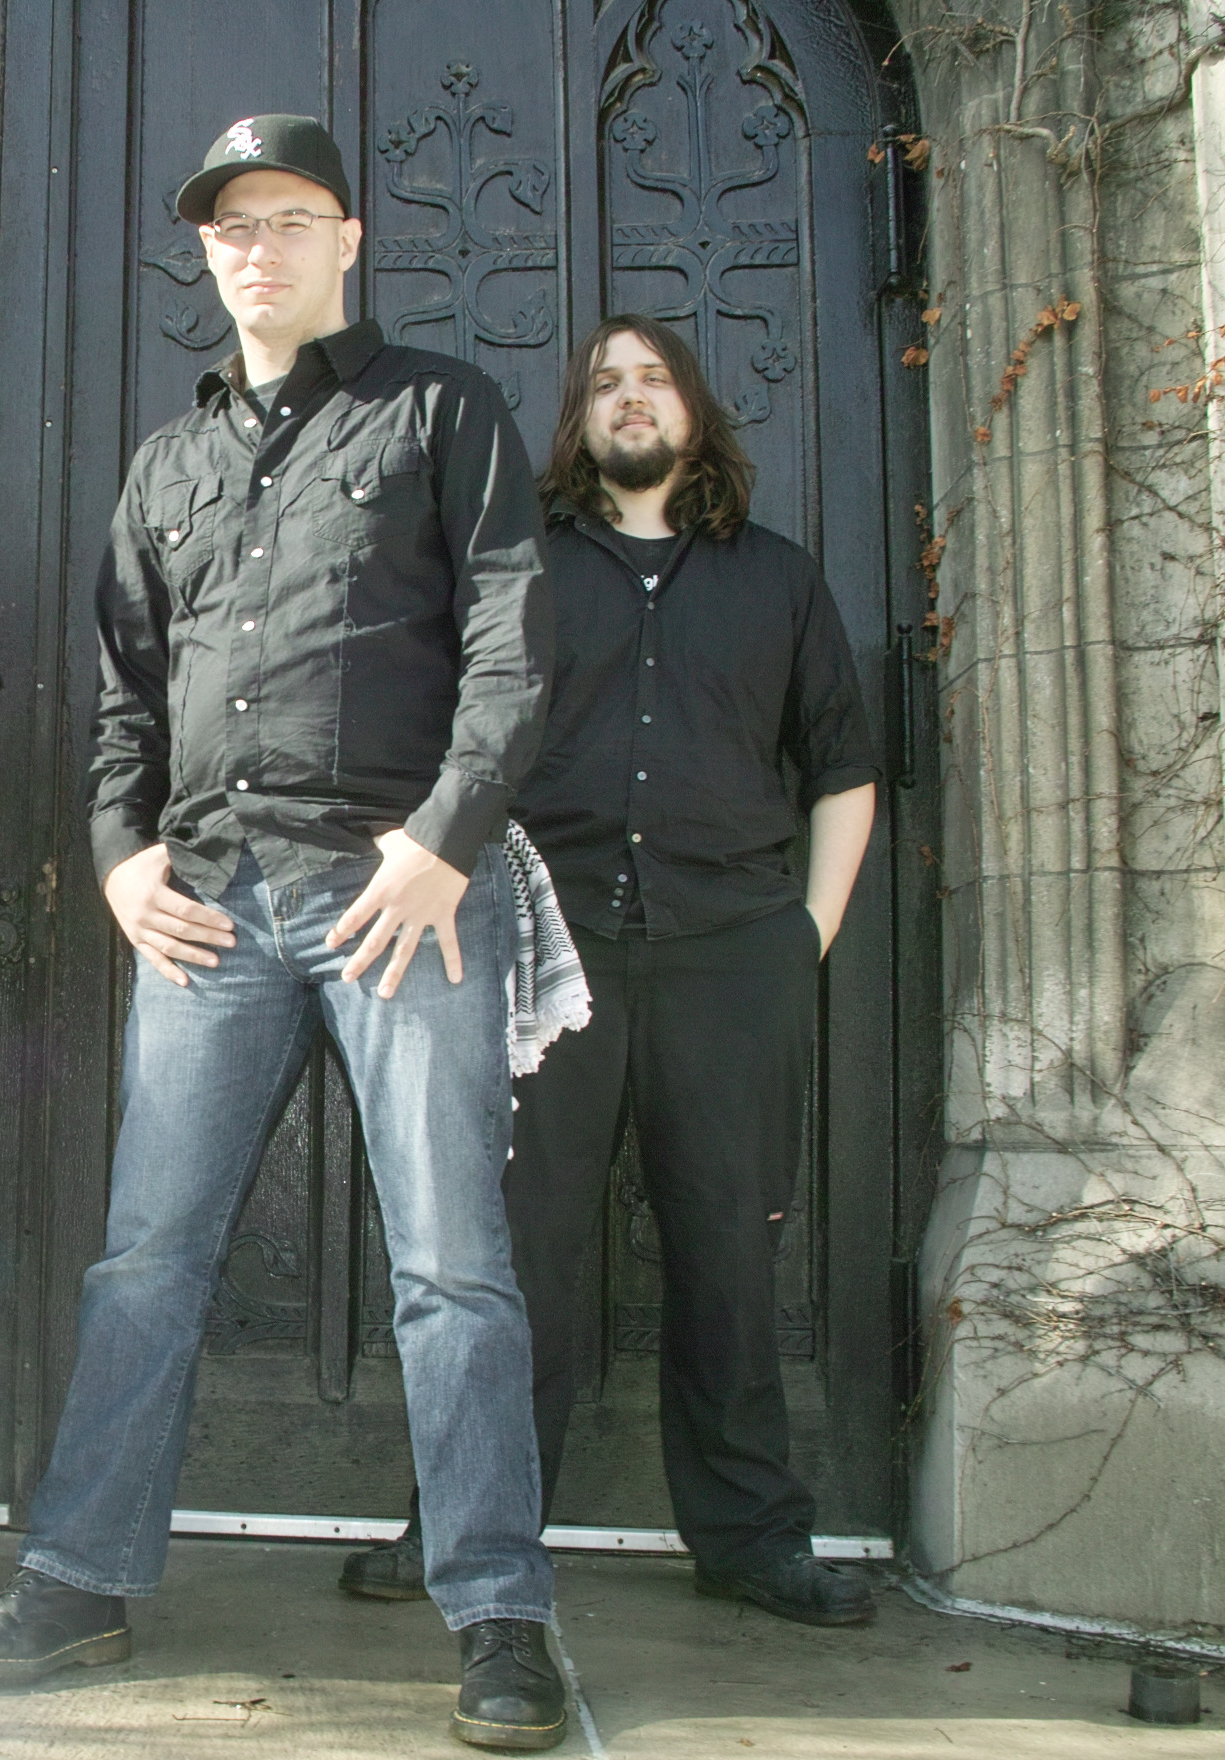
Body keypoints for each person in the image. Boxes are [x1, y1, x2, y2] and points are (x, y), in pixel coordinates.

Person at [0, 117, 567, 1751]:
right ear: (205, 255)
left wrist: (444, 840)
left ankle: (500, 1616)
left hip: (398, 898)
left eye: (288, 219)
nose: (256, 247)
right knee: (146, 1261)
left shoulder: (444, 412)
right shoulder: (167, 464)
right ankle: (76, 1582)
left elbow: (512, 647)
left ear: (348, 240)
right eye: (230, 226)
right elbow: (124, 699)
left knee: (452, 1269)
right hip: (210, 906)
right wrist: (118, 858)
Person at [334, 316, 882, 1627]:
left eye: (654, 381)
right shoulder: (519, 568)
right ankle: (467, 1524)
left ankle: (752, 1540)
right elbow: (441, 736)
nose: (631, 400)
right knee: (516, 1250)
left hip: (733, 956)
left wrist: (804, 936)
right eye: (605, 385)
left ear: (694, 410)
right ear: (578, 421)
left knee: (728, 1251)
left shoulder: (781, 580)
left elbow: (844, 769)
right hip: (542, 950)